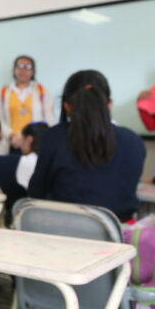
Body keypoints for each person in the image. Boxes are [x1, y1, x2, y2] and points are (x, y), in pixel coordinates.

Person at [28, 70, 145, 222]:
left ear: (67, 106)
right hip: (118, 231)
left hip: (60, 228)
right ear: (109, 104)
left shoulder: (54, 137)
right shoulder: (133, 140)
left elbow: (36, 192)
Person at [0, 55, 56, 153]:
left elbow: (50, 118)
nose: (23, 70)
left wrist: (35, 138)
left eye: (28, 67)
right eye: (20, 66)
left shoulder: (42, 91)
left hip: (35, 143)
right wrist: (12, 136)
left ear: (33, 72)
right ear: (14, 70)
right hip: (12, 143)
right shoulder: (3, 92)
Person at [16, 122, 49, 189]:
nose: (20, 145)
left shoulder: (26, 161)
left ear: (29, 140)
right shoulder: (51, 160)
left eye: (22, 138)